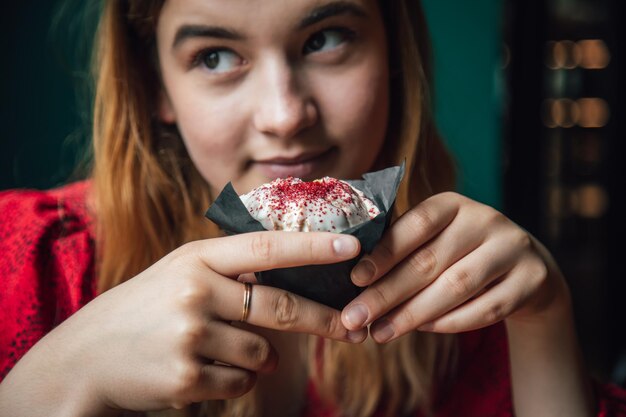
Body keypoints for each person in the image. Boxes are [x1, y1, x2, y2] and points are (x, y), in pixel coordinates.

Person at [0, 0, 625, 416]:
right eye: (215, 56)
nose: (284, 116)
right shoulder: (26, 262)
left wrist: (544, 320)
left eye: (325, 39)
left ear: (393, 53)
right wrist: (58, 380)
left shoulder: (465, 300)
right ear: (157, 86)